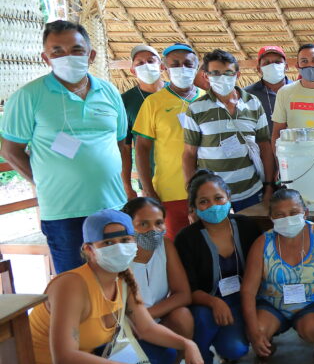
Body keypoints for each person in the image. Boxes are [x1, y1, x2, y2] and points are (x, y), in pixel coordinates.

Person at [0, 209, 204, 364]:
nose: (119, 248)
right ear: (89, 249)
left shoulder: (124, 277)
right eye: (108, 243)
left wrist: (187, 344)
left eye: (125, 240)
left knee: (164, 354)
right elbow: (64, 359)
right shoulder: (71, 285)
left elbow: (146, 328)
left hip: (84, 360)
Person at [1, 20, 133, 273]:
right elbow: (10, 151)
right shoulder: (28, 96)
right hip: (64, 212)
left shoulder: (109, 92)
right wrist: (44, 181)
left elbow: (120, 144)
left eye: (76, 50)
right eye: (57, 51)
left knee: (120, 279)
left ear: (91, 55)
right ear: (46, 58)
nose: (67, 57)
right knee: (76, 282)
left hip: (113, 205)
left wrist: (127, 189)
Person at [175, 170, 262, 364]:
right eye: (203, 202)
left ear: (228, 198)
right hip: (205, 303)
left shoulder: (246, 226)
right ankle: (205, 362)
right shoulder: (187, 239)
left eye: (218, 198)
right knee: (201, 318)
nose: (213, 206)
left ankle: (228, 343)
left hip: (244, 299)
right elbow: (187, 289)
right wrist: (214, 302)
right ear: (194, 207)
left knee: (235, 349)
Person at [241, 188, 314, 364]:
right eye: (280, 215)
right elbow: (248, 290)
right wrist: (253, 331)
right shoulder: (262, 243)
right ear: (271, 217)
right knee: (257, 329)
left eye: (293, 213)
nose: (288, 219)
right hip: (272, 303)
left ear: (305, 212)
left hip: (312, 301)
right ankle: (266, 344)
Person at [182, 49, 274, 214]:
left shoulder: (253, 103)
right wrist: (192, 196)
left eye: (228, 73)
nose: (222, 77)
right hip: (212, 197)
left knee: (251, 230)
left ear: (237, 75)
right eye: (215, 73)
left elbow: (265, 147)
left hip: (251, 192)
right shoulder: (196, 108)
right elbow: (189, 154)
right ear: (206, 76)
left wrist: (268, 186)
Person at [123, 197, 197, 364]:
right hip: (126, 329)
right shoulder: (120, 257)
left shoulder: (165, 245)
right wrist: (140, 322)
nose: (153, 230)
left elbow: (183, 294)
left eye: (158, 223)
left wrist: (146, 317)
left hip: (151, 320)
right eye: (143, 224)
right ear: (128, 226)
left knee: (183, 316)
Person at [133, 43, 204, 237]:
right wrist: (148, 190)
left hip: (206, 192)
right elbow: (141, 148)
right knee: (174, 246)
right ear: (165, 68)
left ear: (196, 67)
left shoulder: (207, 99)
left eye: (188, 64)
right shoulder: (153, 103)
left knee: (207, 246)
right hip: (169, 193)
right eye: (175, 64)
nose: (182, 68)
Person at [120, 44, 165, 200]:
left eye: (151, 61)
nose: (146, 65)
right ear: (133, 71)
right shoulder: (125, 101)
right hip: (150, 182)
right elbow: (125, 148)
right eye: (140, 63)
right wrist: (127, 187)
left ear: (162, 66)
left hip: (186, 178)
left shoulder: (176, 93)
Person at [244, 45, 291, 131]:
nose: (273, 65)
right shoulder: (247, 94)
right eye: (267, 63)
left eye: (277, 62)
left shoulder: (299, 90)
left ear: (286, 66)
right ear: (259, 69)